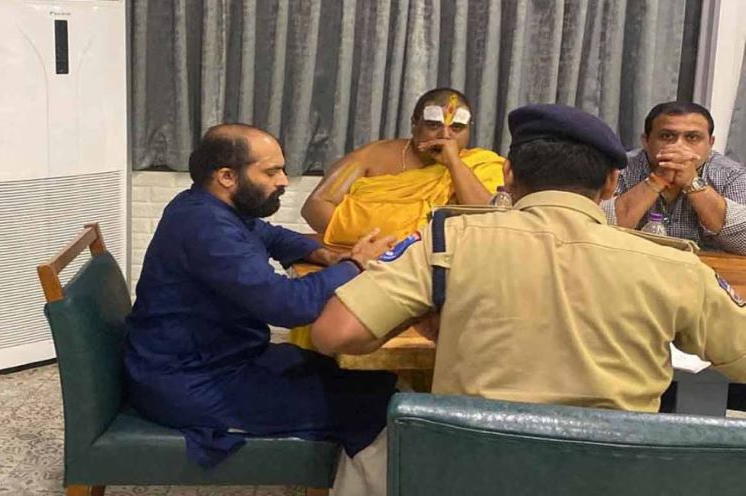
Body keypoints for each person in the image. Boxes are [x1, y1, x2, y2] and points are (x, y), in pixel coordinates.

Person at [312, 104, 746, 415]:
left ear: (508, 174)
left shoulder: (448, 240)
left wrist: (419, 317)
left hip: (470, 472)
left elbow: (334, 334)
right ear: (612, 182)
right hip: (610, 475)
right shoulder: (673, 266)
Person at [124, 124, 397, 495]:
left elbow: (270, 235)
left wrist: (326, 255)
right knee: (371, 406)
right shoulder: (206, 228)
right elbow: (288, 305)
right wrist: (355, 265)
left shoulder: (207, 206)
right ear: (226, 177)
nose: (283, 180)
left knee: (372, 381)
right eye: (271, 172)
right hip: (193, 383)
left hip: (217, 361)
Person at [301, 87, 505, 247]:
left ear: (469, 130)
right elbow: (315, 206)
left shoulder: (480, 164)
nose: (445, 135)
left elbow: (488, 219)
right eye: (434, 125)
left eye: (457, 128)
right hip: (369, 259)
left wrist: (454, 163)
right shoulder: (373, 156)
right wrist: (375, 245)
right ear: (414, 124)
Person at [602, 101, 746, 254]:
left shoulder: (732, 175)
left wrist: (693, 183)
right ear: (646, 141)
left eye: (692, 137)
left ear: (710, 143)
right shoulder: (617, 168)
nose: (678, 146)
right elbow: (596, 230)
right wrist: (656, 180)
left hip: (706, 268)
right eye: (667, 136)